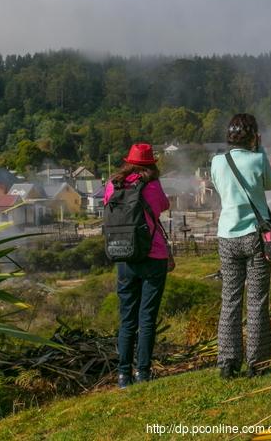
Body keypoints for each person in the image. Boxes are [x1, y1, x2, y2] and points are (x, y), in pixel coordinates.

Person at [210, 113, 271, 379]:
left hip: (226, 236)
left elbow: (219, 188)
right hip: (255, 236)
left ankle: (227, 363)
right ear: (253, 136)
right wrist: (259, 149)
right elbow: (270, 184)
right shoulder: (257, 159)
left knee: (230, 299)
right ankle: (256, 363)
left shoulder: (217, 162)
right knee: (257, 299)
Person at [103, 143, 175, 388]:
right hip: (153, 256)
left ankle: (123, 375)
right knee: (147, 318)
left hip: (124, 256)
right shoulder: (153, 186)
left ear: (128, 161)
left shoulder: (113, 184)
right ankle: (142, 372)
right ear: (151, 163)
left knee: (127, 319)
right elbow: (164, 206)